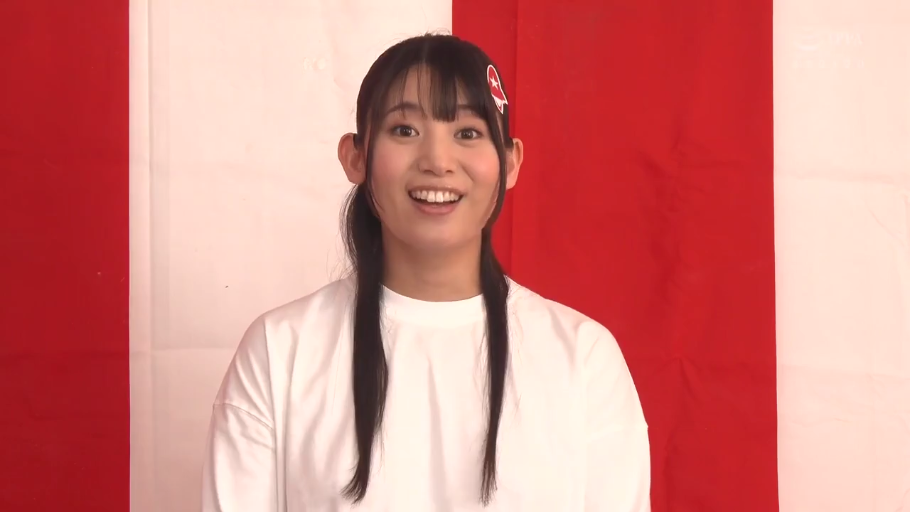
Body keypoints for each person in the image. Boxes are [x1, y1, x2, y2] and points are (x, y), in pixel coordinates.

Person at [201, 33, 650, 511]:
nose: (437, 162)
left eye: (468, 133)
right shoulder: (279, 351)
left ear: (510, 162)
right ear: (355, 157)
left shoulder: (583, 358)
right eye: (405, 130)